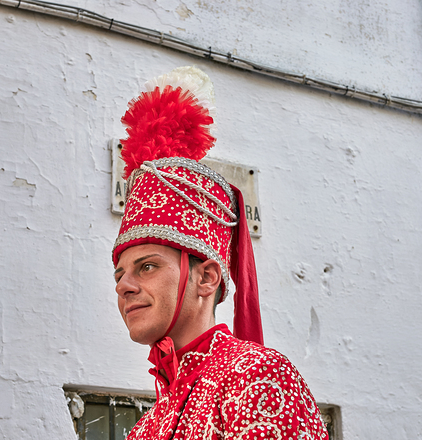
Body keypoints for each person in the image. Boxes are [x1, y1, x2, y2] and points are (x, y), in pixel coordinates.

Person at [113, 66, 329, 439]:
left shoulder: (255, 375)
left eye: (147, 267)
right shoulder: (147, 427)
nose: (124, 286)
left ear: (207, 277)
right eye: (119, 274)